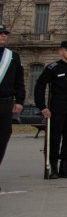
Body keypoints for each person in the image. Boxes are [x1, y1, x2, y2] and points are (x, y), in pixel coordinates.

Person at [34, 40, 67, 180]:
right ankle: (53, 167)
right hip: (56, 109)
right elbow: (40, 86)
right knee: (54, 139)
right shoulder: (53, 68)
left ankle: (64, 167)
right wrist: (42, 107)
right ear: (60, 51)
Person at [0, 24, 26, 186]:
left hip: (5, 102)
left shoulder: (12, 56)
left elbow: (19, 81)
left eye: (5, 34)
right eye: (1, 34)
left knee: (3, 137)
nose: (3, 36)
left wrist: (20, 100)